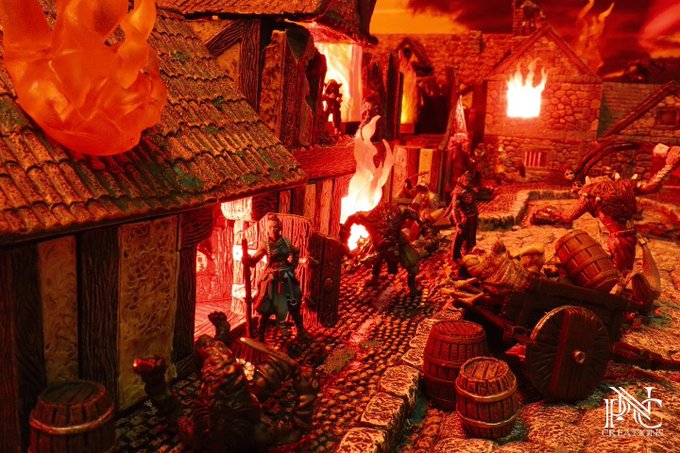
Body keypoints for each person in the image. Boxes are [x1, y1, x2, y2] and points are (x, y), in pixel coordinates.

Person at [562, 144, 680, 273]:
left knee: (616, 274)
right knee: (622, 271)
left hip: (616, 242)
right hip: (628, 237)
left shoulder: (590, 194)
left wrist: (552, 211)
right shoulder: (624, 186)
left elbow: (568, 216)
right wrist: (669, 166)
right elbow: (651, 186)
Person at [244, 215, 308, 341]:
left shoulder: (286, 242)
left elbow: (296, 251)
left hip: (286, 278)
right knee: (267, 308)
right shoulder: (265, 245)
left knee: (293, 304)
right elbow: (253, 261)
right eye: (271, 227)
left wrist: (292, 266)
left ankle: (300, 330)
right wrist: (247, 259)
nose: (273, 229)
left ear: (280, 228)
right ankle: (261, 334)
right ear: (267, 229)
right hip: (271, 279)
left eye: (276, 227)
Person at [340, 201, 422, 296]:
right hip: (378, 241)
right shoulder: (366, 218)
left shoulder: (400, 212)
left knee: (411, 260)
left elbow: (414, 215)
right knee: (379, 255)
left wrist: (423, 225)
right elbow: (351, 218)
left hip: (397, 238)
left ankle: (412, 287)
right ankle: (375, 277)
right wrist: (344, 240)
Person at [449, 171, 479, 264]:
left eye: (469, 180)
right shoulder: (457, 192)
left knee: (471, 237)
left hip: (473, 217)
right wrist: (458, 223)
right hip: (464, 218)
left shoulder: (470, 189)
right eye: (466, 180)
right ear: (462, 180)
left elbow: (472, 201)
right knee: (459, 237)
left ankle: (468, 254)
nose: (468, 182)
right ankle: (455, 257)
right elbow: (454, 209)